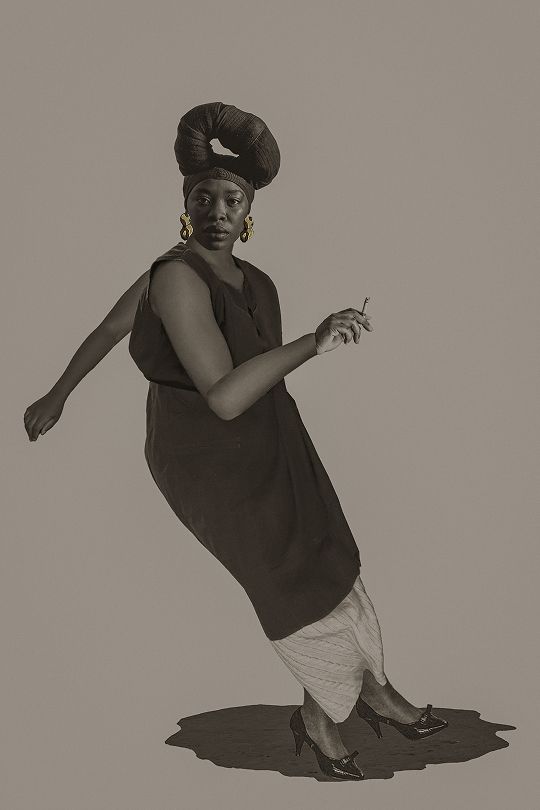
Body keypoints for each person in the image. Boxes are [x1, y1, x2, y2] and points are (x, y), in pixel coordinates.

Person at [23, 102, 447, 781]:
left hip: (271, 434)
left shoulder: (257, 281)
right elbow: (217, 394)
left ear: (249, 210)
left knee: (327, 548)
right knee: (286, 572)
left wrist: (59, 393)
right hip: (206, 455)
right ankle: (323, 715)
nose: (217, 211)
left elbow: (226, 369)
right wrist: (58, 393)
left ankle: (374, 691)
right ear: (185, 206)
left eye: (231, 199)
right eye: (204, 198)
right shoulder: (173, 275)